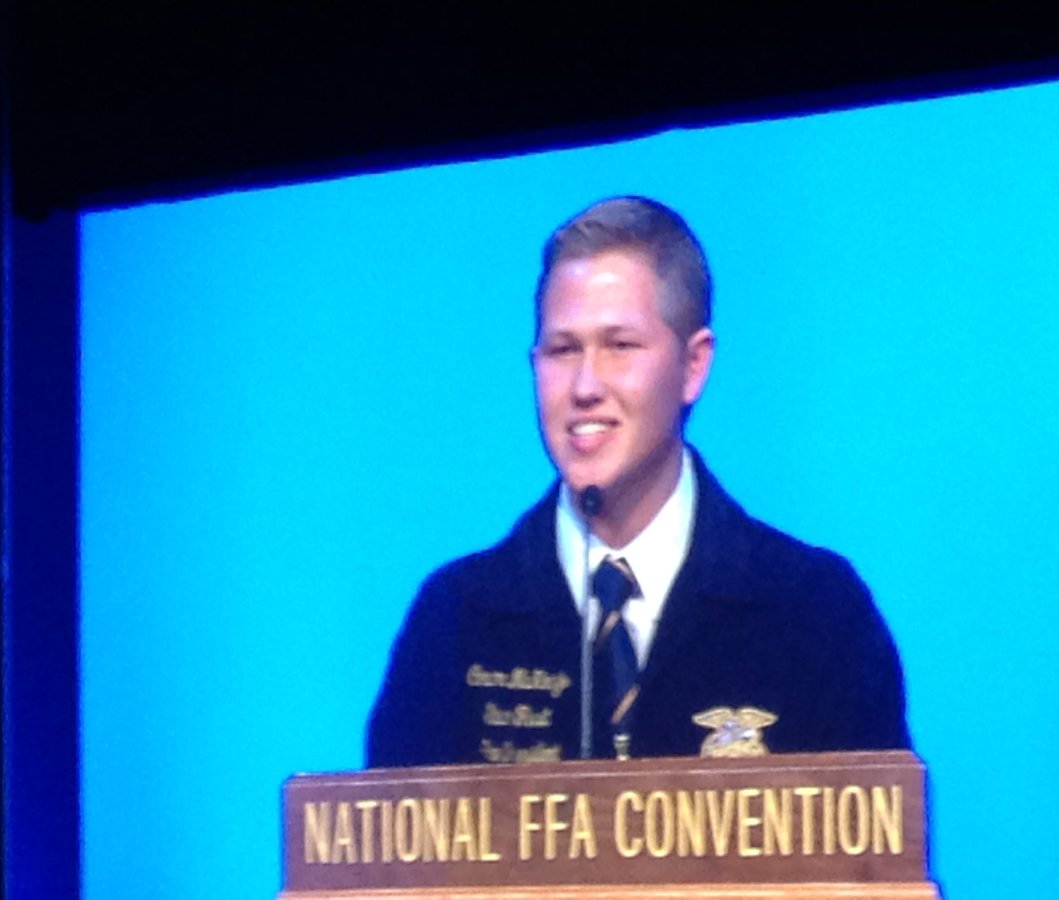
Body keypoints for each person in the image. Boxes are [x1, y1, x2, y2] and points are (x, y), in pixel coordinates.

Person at [366, 196, 910, 767]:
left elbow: (877, 851)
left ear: (693, 366)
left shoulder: (815, 613)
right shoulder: (457, 620)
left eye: (619, 346)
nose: (584, 386)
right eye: (562, 350)